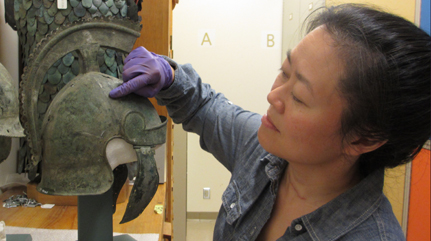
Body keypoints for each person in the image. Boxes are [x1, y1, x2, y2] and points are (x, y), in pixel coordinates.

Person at [109, 4, 430, 241]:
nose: (273, 96)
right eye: (285, 71)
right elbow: (203, 106)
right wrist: (170, 77)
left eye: (300, 96)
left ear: (363, 138)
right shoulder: (262, 151)